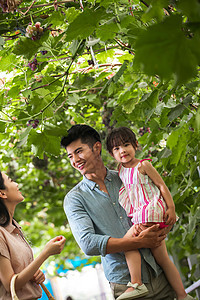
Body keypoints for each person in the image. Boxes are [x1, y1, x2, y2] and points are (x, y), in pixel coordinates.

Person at [61, 124, 178, 300]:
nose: (75, 160)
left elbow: (157, 204)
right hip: (125, 285)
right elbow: (88, 243)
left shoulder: (129, 177)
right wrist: (136, 242)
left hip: (159, 275)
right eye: (70, 156)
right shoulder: (74, 199)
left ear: (97, 147)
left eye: (79, 151)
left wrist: (163, 228)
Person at [106, 126, 193, 300]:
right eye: (116, 148)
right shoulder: (121, 170)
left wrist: (171, 208)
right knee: (164, 260)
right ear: (111, 154)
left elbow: (161, 185)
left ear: (136, 145)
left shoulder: (143, 165)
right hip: (144, 214)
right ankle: (183, 295)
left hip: (151, 211)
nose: (122, 150)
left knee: (127, 243)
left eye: (126, 144)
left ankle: (137, 283)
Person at [0, 171, 66, 300]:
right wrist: (45, 253)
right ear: (2, 193)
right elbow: (10, 285)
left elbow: (20, 275)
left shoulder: (14, 228)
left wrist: (35, 274)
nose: (17, 184)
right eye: (11, 180)